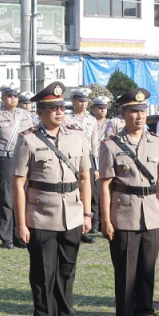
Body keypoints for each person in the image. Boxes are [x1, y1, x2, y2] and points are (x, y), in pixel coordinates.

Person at [13, 81, 93, 316]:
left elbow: (85, 176)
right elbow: (18, 182)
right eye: (52, 108)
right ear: (40, 111)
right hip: (41, 215)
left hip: (71, 213)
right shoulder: (28, 139)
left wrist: (87, 213)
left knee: (66, 273)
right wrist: (22, 222)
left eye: (61, 107)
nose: (59, 112)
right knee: (43, 275)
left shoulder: (77, 136)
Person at [98, 87, 159, 316]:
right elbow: (105, 185)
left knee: (147, 271)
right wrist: (105, 220)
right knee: (126, 274)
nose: (139, 116)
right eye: (134, 112)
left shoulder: (157, 143)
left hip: (150, 211)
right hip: (124, 213)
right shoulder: (110, 146)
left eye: (143, 111)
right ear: (123, 113)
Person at [0, 85, 31, 250]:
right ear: (3, 98)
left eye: (15, 96)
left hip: (22, 160)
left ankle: (20, 234)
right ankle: (7, 237)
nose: (13, 99)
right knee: (5, 198)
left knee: (22, 197)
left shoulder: (26, 116)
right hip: (3, 160)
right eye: (9, 96)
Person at [67, 88, 98, 244]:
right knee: (73, 194)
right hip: (71, 159)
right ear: (74, 101)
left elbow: (95, 145)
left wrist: (96, 167)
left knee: (87, 194)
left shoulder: (92, 121)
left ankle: (83, 228)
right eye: (80, 100)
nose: (83, 103)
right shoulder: (67, 119)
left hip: (87, 160)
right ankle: (73, 227)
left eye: (86, 101)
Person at [88, 95, 117, 238]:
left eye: (105, 108)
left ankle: (102, 222)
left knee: (106, 191)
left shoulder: (109, 124)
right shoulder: (89, 122)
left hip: (106, 158)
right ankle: (94, 222)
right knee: (94, 192)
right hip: (92, 158)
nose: (103, 111)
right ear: (94, 109)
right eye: (100, 108)